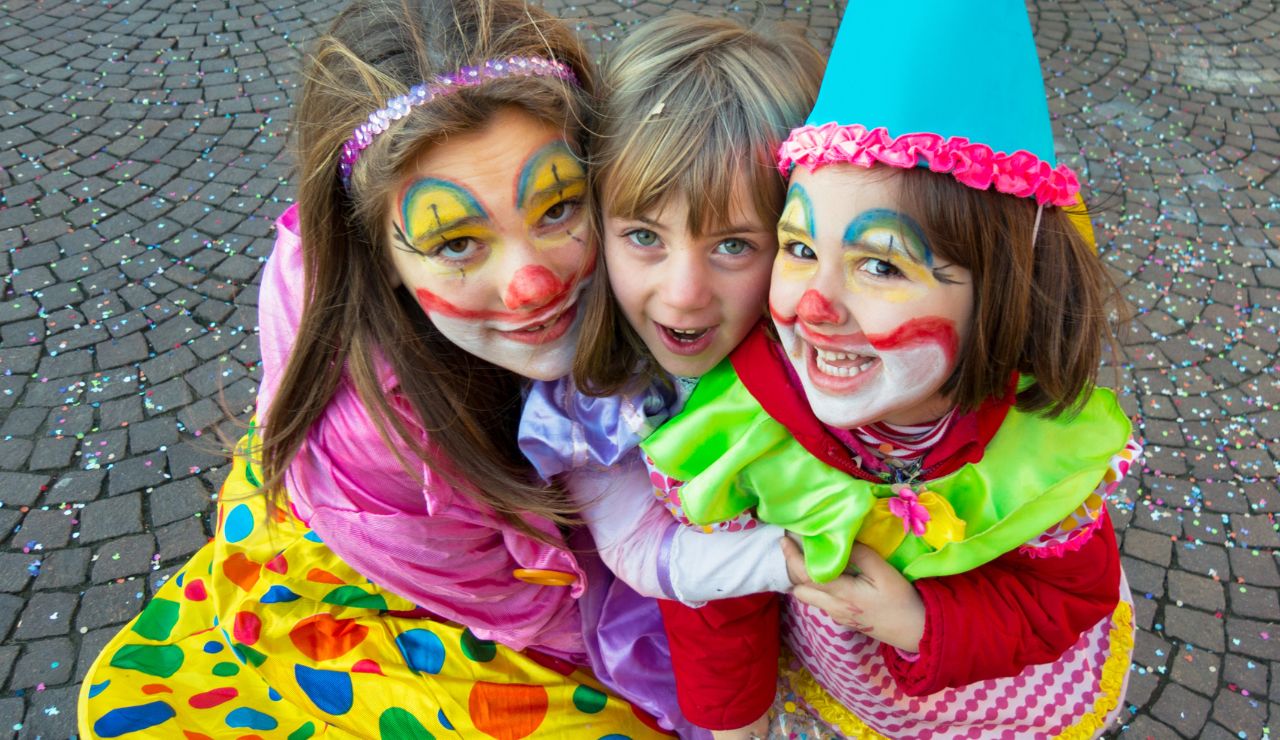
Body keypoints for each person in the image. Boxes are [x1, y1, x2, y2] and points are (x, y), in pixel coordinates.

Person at [78, 0, 683, 736]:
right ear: (379, 256)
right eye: (456, 244)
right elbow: (530, 612)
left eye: (557, 207)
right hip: (416, 580)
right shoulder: (376, 434)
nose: (533, 284)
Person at [638, 1, 1141, 736]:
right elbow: (720, 604)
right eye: (800, 249)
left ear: (1002, 291)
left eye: (879, 264)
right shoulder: (740, 427)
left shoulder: (1041, 451)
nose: (813, 306)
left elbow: (1064, 599)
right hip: (840, 695)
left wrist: (922, 622)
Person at [518, 14, 824, 739]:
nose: (684, 294)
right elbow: (638, 549)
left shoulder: (832, 345)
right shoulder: (596, 398)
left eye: (734, 245)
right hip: (710, 627)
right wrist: (796, 563)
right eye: (644, 236)